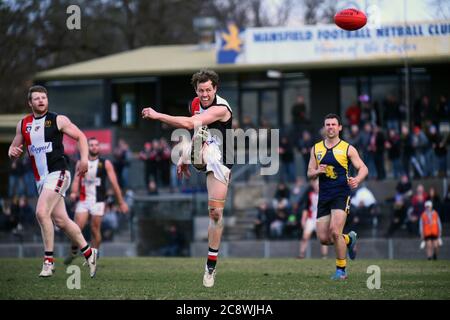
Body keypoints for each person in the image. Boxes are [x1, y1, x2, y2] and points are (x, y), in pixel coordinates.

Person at [142, 69, 233, 288]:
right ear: (196, 90)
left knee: (216, 213)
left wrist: (158, 115)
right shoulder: (194, 103)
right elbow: (197, 131)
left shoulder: (221, 108)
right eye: (201, 90)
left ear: (215, 89)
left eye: (208, 90)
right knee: (187, 143)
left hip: (221, 159)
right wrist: (185, 157)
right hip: (205, 151)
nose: (204, 94)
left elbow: (190, 124)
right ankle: (190, 154)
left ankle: (210, 265)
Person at [7, 85, 97, 277]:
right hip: (41, 180)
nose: (41, 101)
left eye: (44, 98)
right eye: (37, 98)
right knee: (61, 221)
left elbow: (81, 136)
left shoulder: (57, 119)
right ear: (30, 103)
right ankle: (89, 253)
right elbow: (14, 148)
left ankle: (48, 262)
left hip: (58, 173)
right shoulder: (23, 124)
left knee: (41, 212)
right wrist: (11, 152)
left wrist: (83, 159)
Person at [307, 113, 368, 280]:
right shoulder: (316, 148)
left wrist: (357, 179)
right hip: (324, 196)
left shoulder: (348, 148)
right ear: (324, 127)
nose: (331, 127)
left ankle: (341, 270)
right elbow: (309, 172)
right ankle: (349, 239)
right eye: (328, 124)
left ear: (340, 127)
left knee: (335, 232)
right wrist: (317, 171)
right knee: (324, 239)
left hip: (341, 194)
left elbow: (363, 168)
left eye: (334, 124)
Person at [64, 137, 129, 265]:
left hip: (98, 200)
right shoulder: (81, 163)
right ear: (87, 147)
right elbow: (77, 181)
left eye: (96, 145)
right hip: (83, 199)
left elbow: (114, 184)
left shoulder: (105, 163)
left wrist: (121, 202)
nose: (94, 147)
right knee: (77, 228)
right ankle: (73, 251)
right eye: (91, 145)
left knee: (95, 229)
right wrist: (73, 192)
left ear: (99, 148)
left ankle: (92, 256)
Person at [298, 179, 328, 259]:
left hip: (321, 219)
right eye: (315, 185)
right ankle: (301, 254)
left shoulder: (325, 195)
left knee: (322, 238)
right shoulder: (310, 195)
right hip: (311, 219)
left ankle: (324, 256)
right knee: (305, 237)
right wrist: (303, 219)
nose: (316, 187)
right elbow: (306, 208)